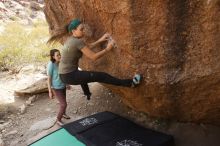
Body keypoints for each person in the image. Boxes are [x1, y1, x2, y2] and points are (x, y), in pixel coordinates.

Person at [49, 19, 142, 100]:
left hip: (65, 75)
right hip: (70, 75)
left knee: (84, 76)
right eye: (81, 29)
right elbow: (93, 57)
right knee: (102, 76)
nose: (83, 31)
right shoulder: (76, 41)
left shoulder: (71, 40)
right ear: (74, 31)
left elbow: (86, 47)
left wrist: (101, 40)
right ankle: (131, 83)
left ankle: (87, 94)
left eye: (83, 28)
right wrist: (107, 49)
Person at [47, 49, 71, 126]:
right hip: (56, 88)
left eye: (59, 54)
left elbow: (63, 74)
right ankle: (58, 119)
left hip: (63, 85)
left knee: (64, 102)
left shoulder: (60, 63)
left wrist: (67, 84)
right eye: (57, 55)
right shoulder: (51, 65)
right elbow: (49, 79)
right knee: (63, 104)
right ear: (53, 57)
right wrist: (50, 91)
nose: (59, 56)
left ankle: (63, 114)